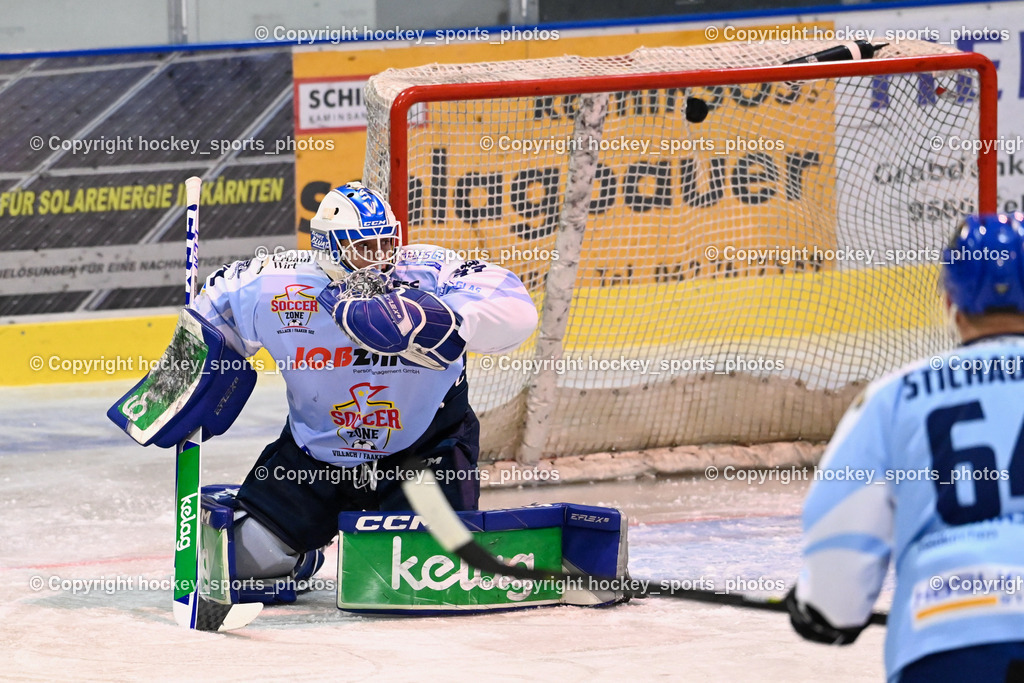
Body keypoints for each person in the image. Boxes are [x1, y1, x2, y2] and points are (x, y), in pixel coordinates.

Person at [193, 181, 538, 602]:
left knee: (420, 583)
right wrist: (190, 371)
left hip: (425, 454)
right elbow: (211, 312)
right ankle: (297, 552)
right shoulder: (273, 283)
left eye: (386, 243)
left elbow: (515, 306)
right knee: (248, 564)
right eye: (364, 247)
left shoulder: (428, 273)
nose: (380, 260)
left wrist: (443, 317)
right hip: (316, 455)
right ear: (327, 247)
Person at [786, 212, 1024, 681]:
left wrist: (827, 608)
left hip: (948, 644)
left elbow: (841, 520)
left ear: (950, 301)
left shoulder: (896, 396)